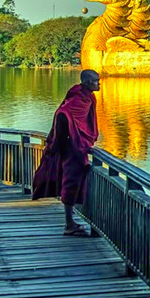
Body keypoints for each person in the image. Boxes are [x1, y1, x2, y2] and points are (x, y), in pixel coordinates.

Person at [32, 69, 100, 236]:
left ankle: (71, 221)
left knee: (75, 182)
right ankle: (69, 224)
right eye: (96, 81)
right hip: (72, 146)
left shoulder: (86, 96)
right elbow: (62, 114)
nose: (99, 84)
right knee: (70, 182)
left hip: (76, 145)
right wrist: (64, 143)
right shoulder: (78, 97)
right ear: (86, 82)